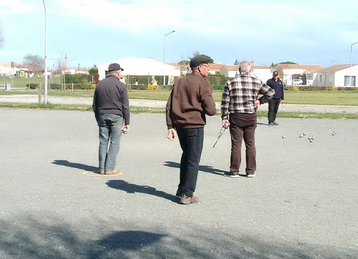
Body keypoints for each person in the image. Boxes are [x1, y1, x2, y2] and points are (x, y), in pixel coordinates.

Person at [166, 55, 216, 205]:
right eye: (207, 66)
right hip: (194, 125)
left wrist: (170, 126)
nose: (208, 69)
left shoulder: (179, 82)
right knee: (193, 160)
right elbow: (211, 110)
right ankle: (187, 194)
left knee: (186, 156)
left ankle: (182, 188)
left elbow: (169, 105)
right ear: (200, 67)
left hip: (180, 125)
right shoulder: (202, 83)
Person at [221, 61, 275, 178]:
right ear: (250, 70)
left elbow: (225, 102)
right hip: (250, 115)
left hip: (236, 115)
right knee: (250, 144)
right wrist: (260, 100)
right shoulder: (256, 82)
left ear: (239, 70)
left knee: (236, 144)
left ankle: (234, 170)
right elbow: (271, 92)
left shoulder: (230, 82)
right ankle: (250, 171)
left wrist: (224, 117)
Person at [92, 63, 130, 175]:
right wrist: (127, 122)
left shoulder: (100, 85)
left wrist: (98, 117)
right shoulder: (121, 86)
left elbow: (94, 105)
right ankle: (109, 168)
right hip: (116, 116)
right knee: (115, 141)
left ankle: (102, 168)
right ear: (118, 73)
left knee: (103, 141)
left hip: (102, 115)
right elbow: (125, 106)